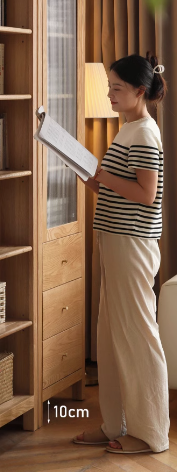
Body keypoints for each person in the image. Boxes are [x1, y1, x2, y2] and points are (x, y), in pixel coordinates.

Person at [73, 52, 170, 454]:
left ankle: (151, 435)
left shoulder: (144, 133)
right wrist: (87, 173)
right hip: (115, 241)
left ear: (140, 91)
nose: (109, 93)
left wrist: (102, 174)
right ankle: (115, 425)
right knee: (110, 337)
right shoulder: (126, 130)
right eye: (109, 86)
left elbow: (146, 196)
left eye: (116, 88)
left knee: (137, 337)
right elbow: (115, 188)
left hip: (132, 245)